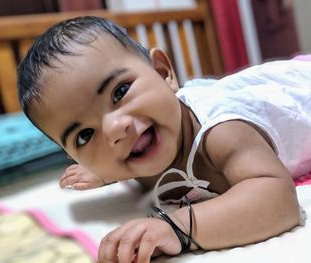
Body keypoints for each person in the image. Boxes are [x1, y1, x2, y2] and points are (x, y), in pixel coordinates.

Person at [17, 15, 311, 262]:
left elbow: (278, 201)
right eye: (85, 136)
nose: (115, 129)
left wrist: (178, 227)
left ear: (162, 72)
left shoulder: (221, 131)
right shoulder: (137, 144)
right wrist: (107, 171)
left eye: (120, 92)